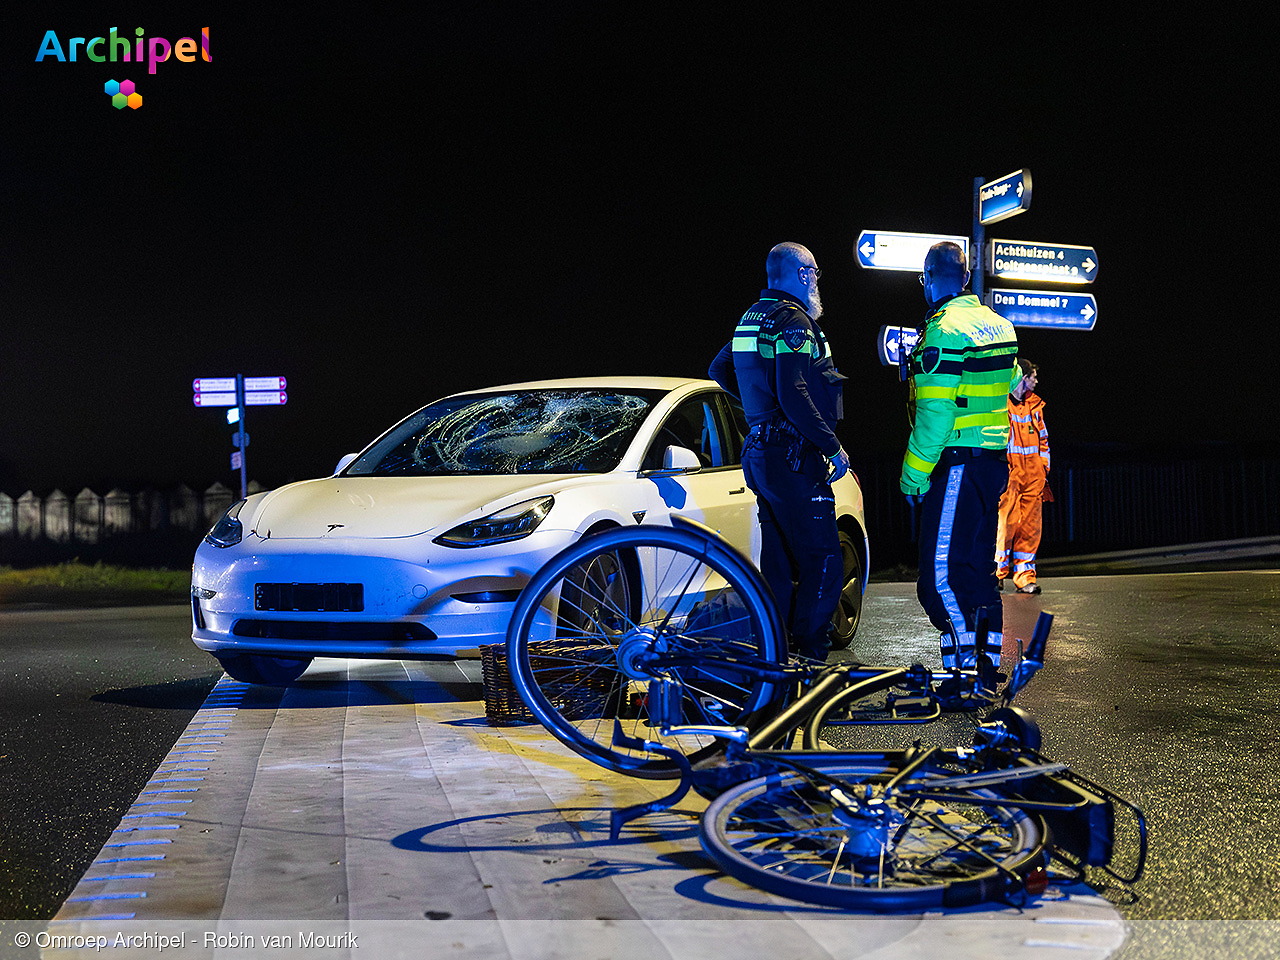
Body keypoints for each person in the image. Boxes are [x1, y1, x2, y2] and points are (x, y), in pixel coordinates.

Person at [709, 242, 850, 661]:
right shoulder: (793, 322)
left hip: (760, 453)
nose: (817, 281)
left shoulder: (751, 318)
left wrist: (761, 412)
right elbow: (794, 391)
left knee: (779, 562)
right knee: (824, 560)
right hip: (792, 457)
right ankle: (811, 659)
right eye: (815, 273)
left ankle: (777, 656)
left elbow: (719, 368)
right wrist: (832, 447)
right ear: (803, 274)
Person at [900, 241, 1018, 678]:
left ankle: (966, 670)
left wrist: (912, 477)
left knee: (939, 581)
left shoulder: (943, 331)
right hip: (993, 465)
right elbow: (1013, 381)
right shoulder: (1001, 326)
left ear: (929, 279)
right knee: (977, 573)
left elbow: (935, 416)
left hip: (957, 466)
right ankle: (981, 671)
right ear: (966, 277)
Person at [996, 359, 1051, 594]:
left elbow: (1043, 441)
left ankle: (1025, 577)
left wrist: (1043, 469)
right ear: (1022, 377)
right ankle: (997, 574)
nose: (1036, 381)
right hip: (1010, 476)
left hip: (1033, 477)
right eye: (1033, 376)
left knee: (1030, 528)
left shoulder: (1035, 405)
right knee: (1005, 526)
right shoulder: (1001, 404)